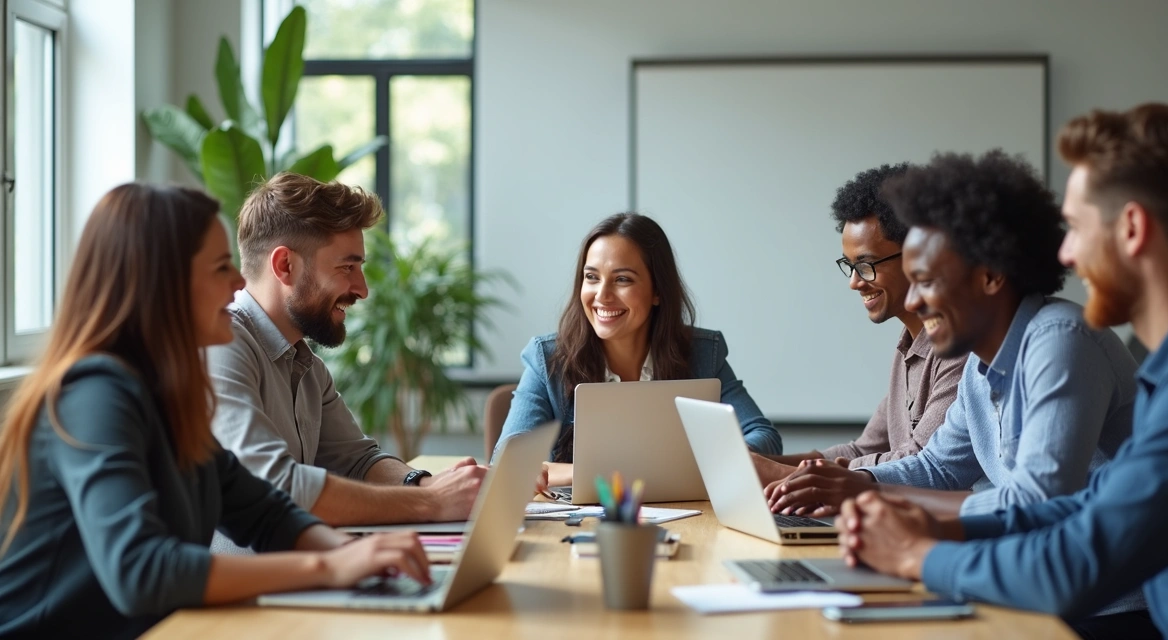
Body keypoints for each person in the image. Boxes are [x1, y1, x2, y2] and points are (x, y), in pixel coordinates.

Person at [836, 103, 1168, 640]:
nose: (1065, 253)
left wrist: (917, 553)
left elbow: (1073, 567)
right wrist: (939, 523)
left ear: (1131, 229)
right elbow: (1095, 497)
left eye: (1078, 228)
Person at [0, 184, 432, 639]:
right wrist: (329, 565)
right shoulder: (96, 394)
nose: (238, 283)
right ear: (163, 284)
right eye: (220, 266)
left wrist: (360, 557)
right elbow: (141, 571)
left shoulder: (169, 393)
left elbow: (265, 512)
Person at [766, 150, 1138, 523]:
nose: (913, 300)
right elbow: (938, 469)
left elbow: (1035, 503)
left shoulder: (1061, 340)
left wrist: (868, 491)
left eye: (925, 282)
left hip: (1106, 576)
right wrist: (857, 482)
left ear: (990, 275)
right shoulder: (980, 366)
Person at [208, 172, 486, 531]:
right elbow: (270, 487)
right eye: (346, 267)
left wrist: (429, 485)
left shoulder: (307, 365)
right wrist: (430, 501)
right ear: (284, 266)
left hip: (304, 573)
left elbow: (358, 460)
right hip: (248, 583)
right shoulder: (222, 344)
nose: (362, 289)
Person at [495, 212, 782, 487]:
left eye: (623, 279)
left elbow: (763, 436)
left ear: (657, 291)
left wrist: (719, 460)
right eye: (592, 277)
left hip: (689, 519)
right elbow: (510, 458)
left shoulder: (703, 354)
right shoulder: (548, 358)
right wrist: (610, 474)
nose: (602, 296)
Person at [752, 164, 967, 485]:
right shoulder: (907, 346)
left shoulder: (960, 347)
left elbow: (923, 463)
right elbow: (861, 449)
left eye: (865, 265)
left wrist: (781, 474)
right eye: (849, 266)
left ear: (918, 256)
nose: (855, 282)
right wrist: (759, 463)